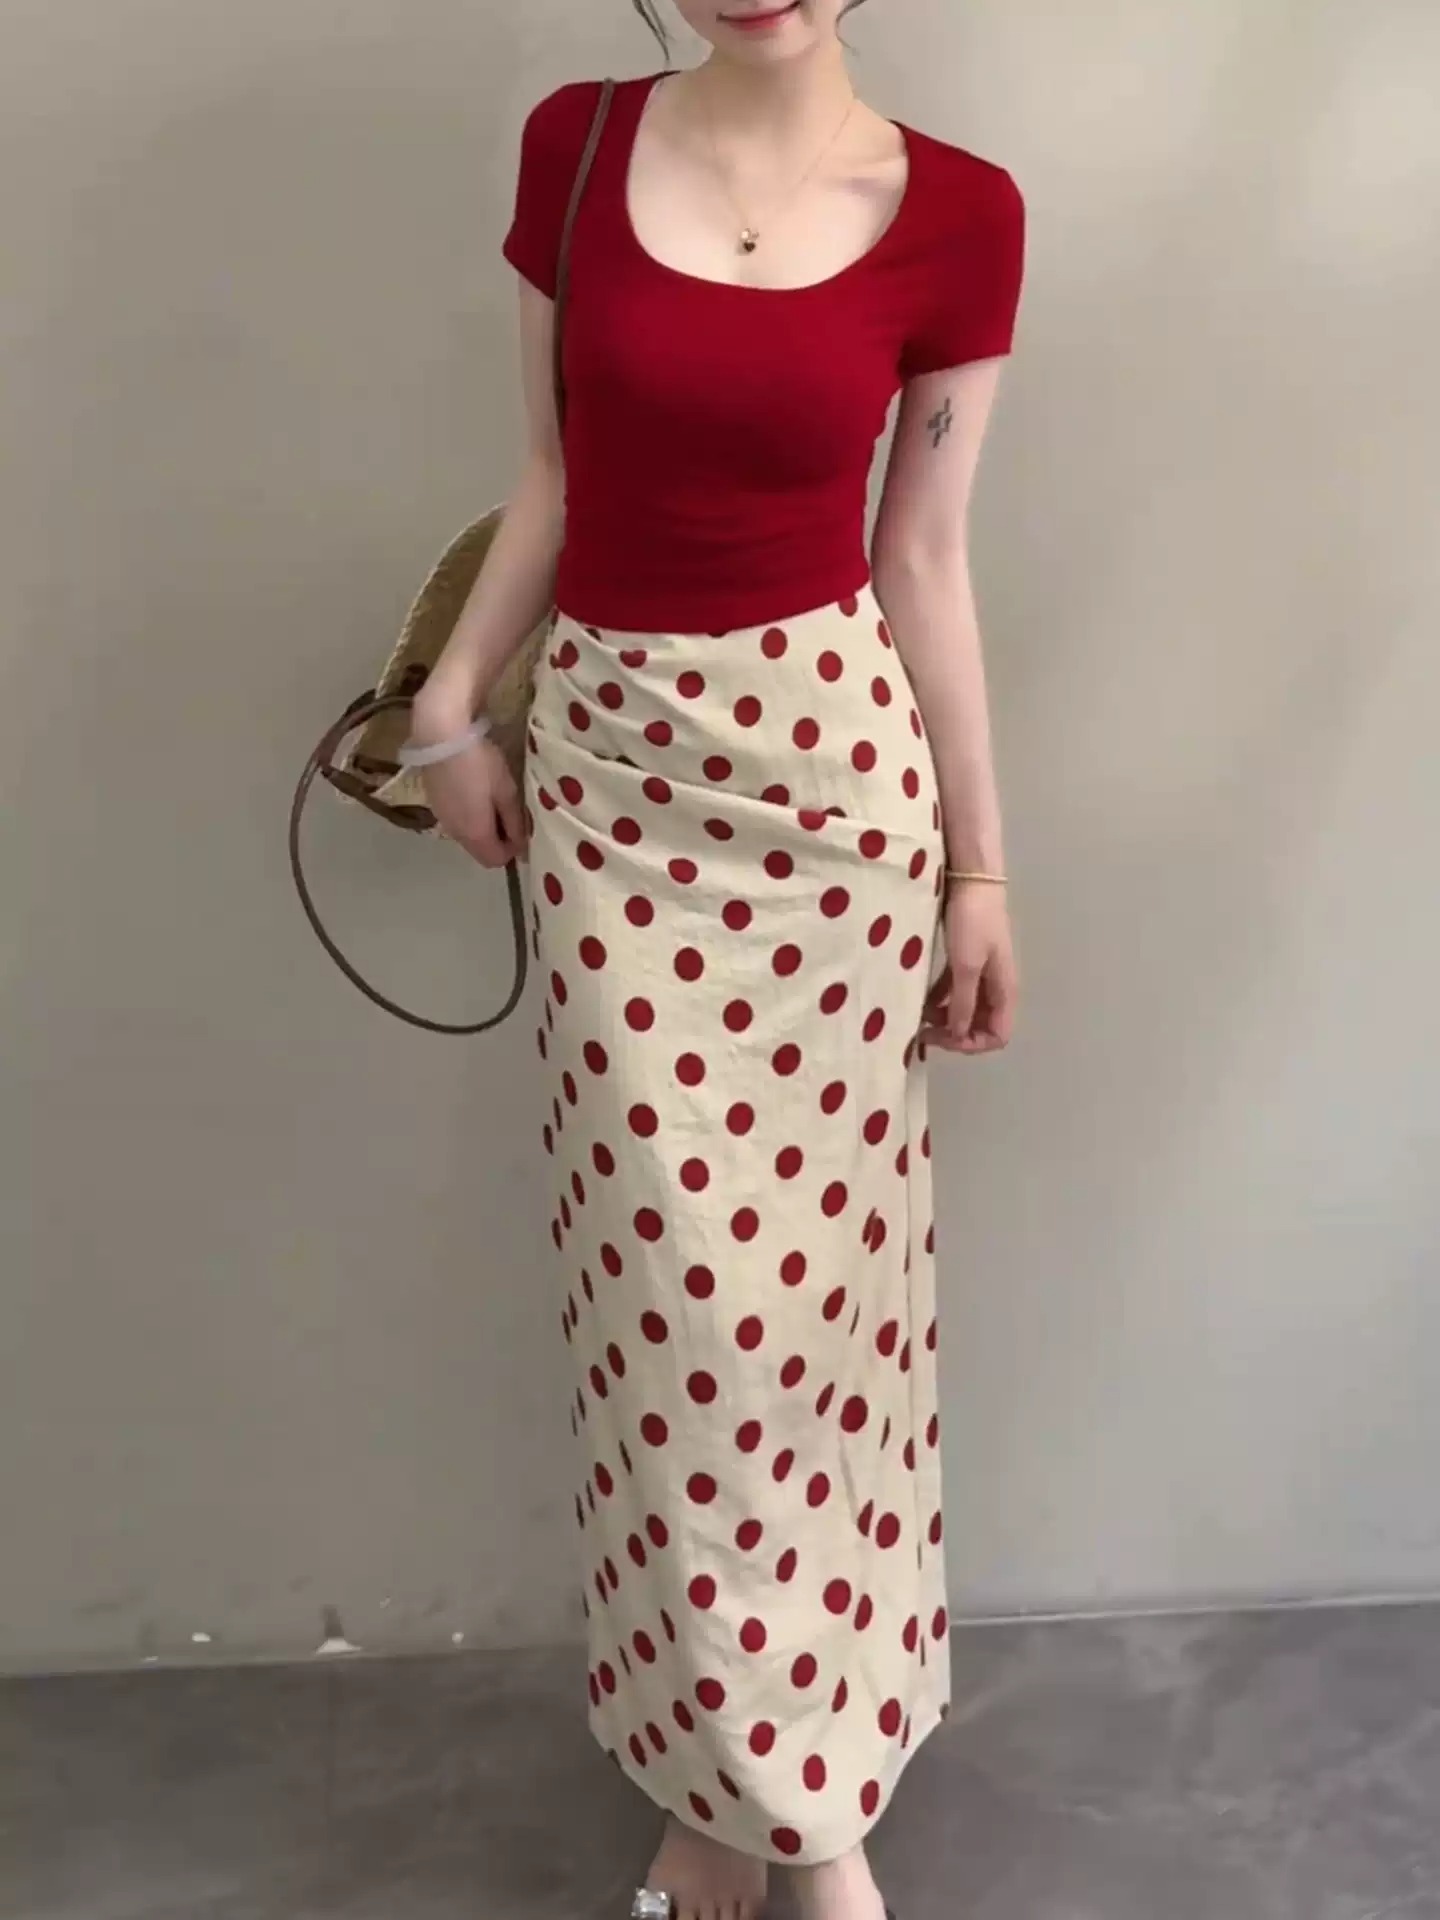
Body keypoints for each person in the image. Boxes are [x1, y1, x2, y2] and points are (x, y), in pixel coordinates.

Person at [411, 3, 1026, 1915]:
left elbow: (925, 556)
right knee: (668, 1322)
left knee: (823, 1327)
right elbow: (554, 473)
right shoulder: (576, 148)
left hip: (837, 803)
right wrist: (449, 698)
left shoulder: (965, 214)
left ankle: (787, 1809)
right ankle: (742, 1789)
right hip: (616, 793)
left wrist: (982, 868)